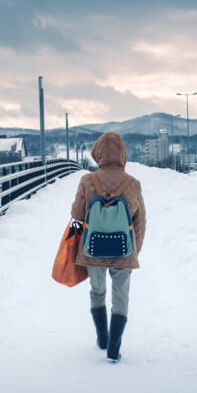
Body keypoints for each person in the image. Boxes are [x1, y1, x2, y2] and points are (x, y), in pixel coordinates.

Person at [71, 131, 146, 362]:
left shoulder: (87, 180)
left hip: (93, 249)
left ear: (98, 154)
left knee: (97, 291)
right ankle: (114, 347)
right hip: (123, 250)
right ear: (123, 154)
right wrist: (134, 250)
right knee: (120, 295)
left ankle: (102, 338)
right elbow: (140, 221)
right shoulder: (133, 183)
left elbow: (77, 214)